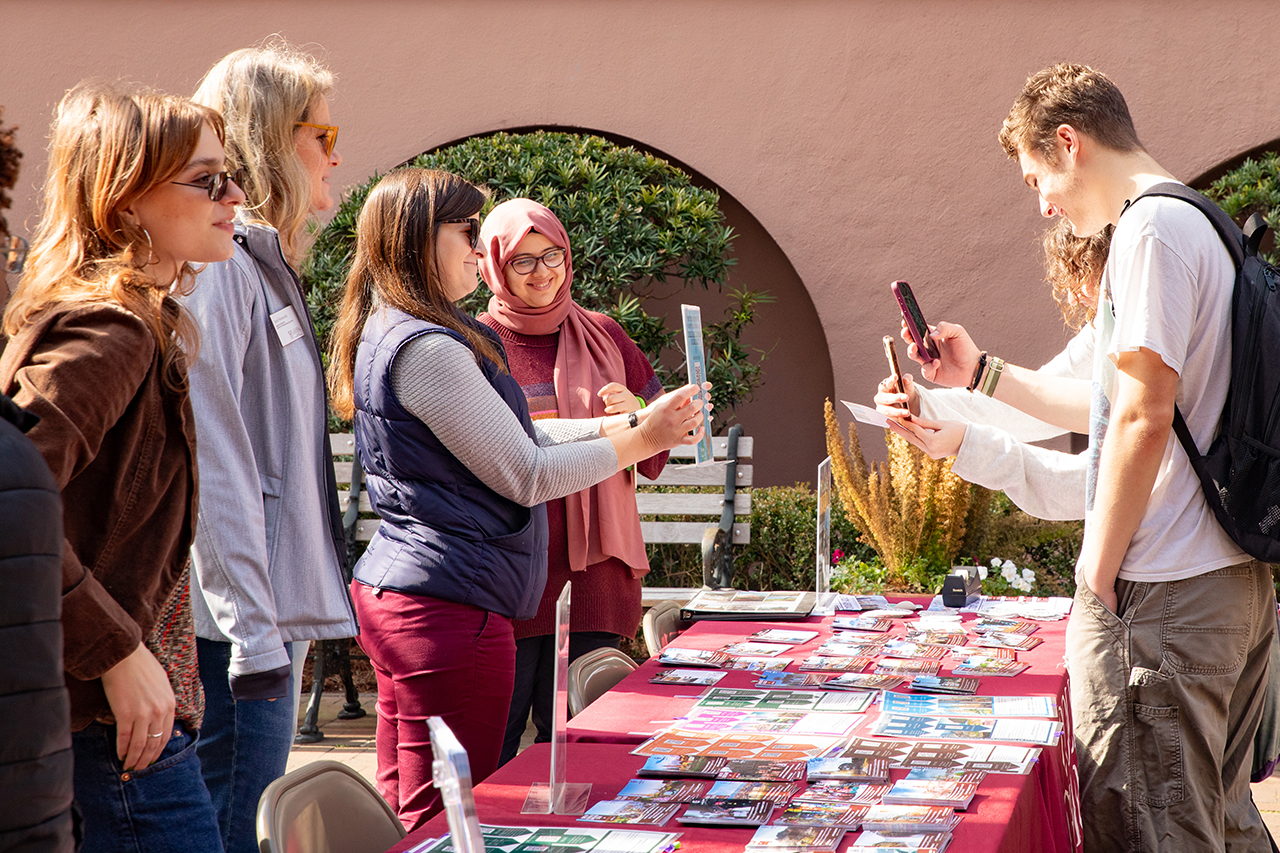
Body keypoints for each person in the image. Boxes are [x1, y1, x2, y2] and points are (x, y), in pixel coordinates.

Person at [895, 63, 1272, 852]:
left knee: (1149, 827)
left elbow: (1140, 415)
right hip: (1224, 582)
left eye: (1038, 177)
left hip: (1164, 595)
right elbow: (1106, 406)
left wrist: (1094, 577)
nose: (1044, 203)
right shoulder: (1201, 224)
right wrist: (983, 375)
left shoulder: (1149, 231)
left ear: (1069, 143)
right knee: (1218, 824)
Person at [326, 168, 709, 829]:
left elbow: (517, 433)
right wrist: (641, 434)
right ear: (421, 241)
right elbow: (526, 472)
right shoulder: (428, 346)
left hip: (421, 590)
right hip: (449, 603)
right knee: (450, 811)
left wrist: (620, 423)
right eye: (468, 231)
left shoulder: (403, 329)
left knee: (414, 806)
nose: (479, 248)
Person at [0, 81, 245, 851]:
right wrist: (117, 651)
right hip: (108, 729)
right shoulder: (110, 328)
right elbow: (12, 508)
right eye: (207, 179)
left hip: (117, 718)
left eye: (229, 173)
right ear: (126, 200)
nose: (235, 193)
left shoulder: (142, 319)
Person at [185, 43, 357, 853]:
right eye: (324, 132)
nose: (336, 153)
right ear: (273, 137)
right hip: (234, 632)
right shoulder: (222, 268)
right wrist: (255, 632)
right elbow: (216, 450)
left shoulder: (259, 263)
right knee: (233, 824)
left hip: (260, 619)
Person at [474, 199, 667, 766]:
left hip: (597, 583)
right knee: (497, 755)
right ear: (492, 266)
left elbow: (661, 446)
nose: (543, 272)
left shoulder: (605, 334)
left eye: (552, 254)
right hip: (513, 579)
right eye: (522, 261)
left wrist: (637, 412)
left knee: (587, 756)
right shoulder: (473, 343)